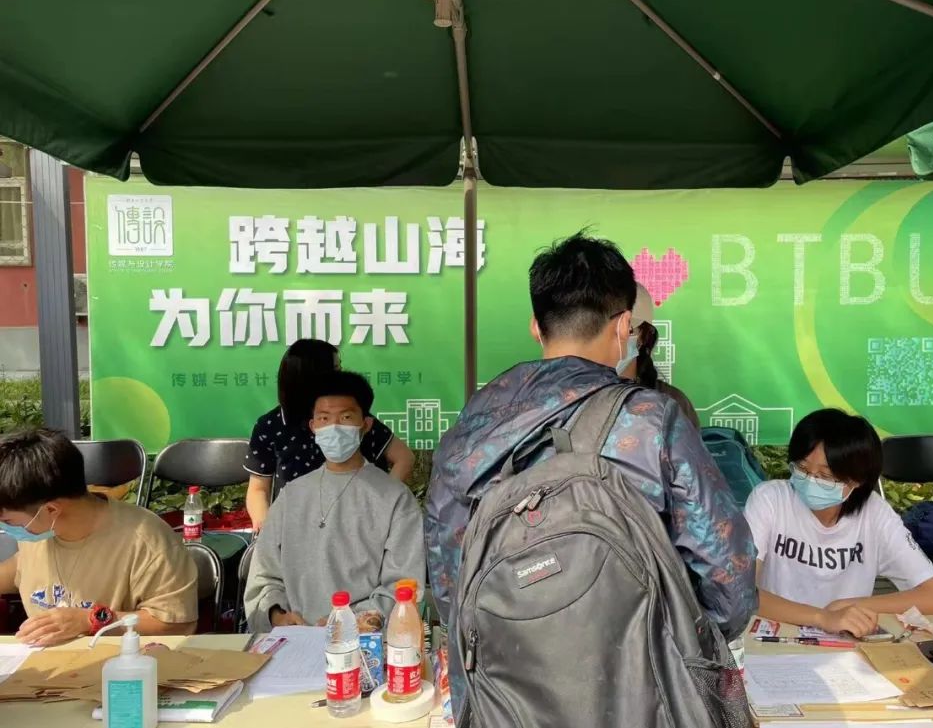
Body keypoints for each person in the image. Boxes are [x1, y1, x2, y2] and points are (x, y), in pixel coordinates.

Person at [426, 232, 757, 652]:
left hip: (501, 670)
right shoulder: (651, 422)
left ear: (535, 327)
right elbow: (728, 580)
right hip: (632, 671)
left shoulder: (474, 420)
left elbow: (446, 574)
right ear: (623, 326)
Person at [244, 371, 425, 633]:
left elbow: (403, 585)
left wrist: (351, 621)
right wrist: (276, 615)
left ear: (366, 424)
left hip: (364, 643)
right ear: (313, 426)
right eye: (324, 418)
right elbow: (264, 574)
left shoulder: (395, 498)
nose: (334, 427)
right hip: (295, 639)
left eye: (346, 417)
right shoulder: (291, 495)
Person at [745, 409, 933, 637]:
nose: (810, 480)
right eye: (802, 468)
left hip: (845, 642)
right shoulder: (770, 500)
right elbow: (742, 592)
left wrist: (852, 606)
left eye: (825, 475)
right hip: (774, 636)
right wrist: (823, 617)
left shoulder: (874, 512)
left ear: (857, 479)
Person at [0, 430, 197, 646]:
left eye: (8, 521)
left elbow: (178, 625)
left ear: (51, 510)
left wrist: (90, 620)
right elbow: (22, 568)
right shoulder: (37, 534)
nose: (6, 528)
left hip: (119, 662)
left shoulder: (146, 541)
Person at [244, 339, 415, 531]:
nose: (341, 374)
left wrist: (381, 501)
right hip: (294, 527)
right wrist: (268, 529)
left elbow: (404, 458)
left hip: (357, 527)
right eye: (336, 369)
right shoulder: (270, 426)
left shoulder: (354, 420)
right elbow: (258, 489)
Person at [619, 282, 701, 428]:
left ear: (644, 336)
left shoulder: (672, 404)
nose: (613, 340)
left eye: (628, 330)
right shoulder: (579, 398)